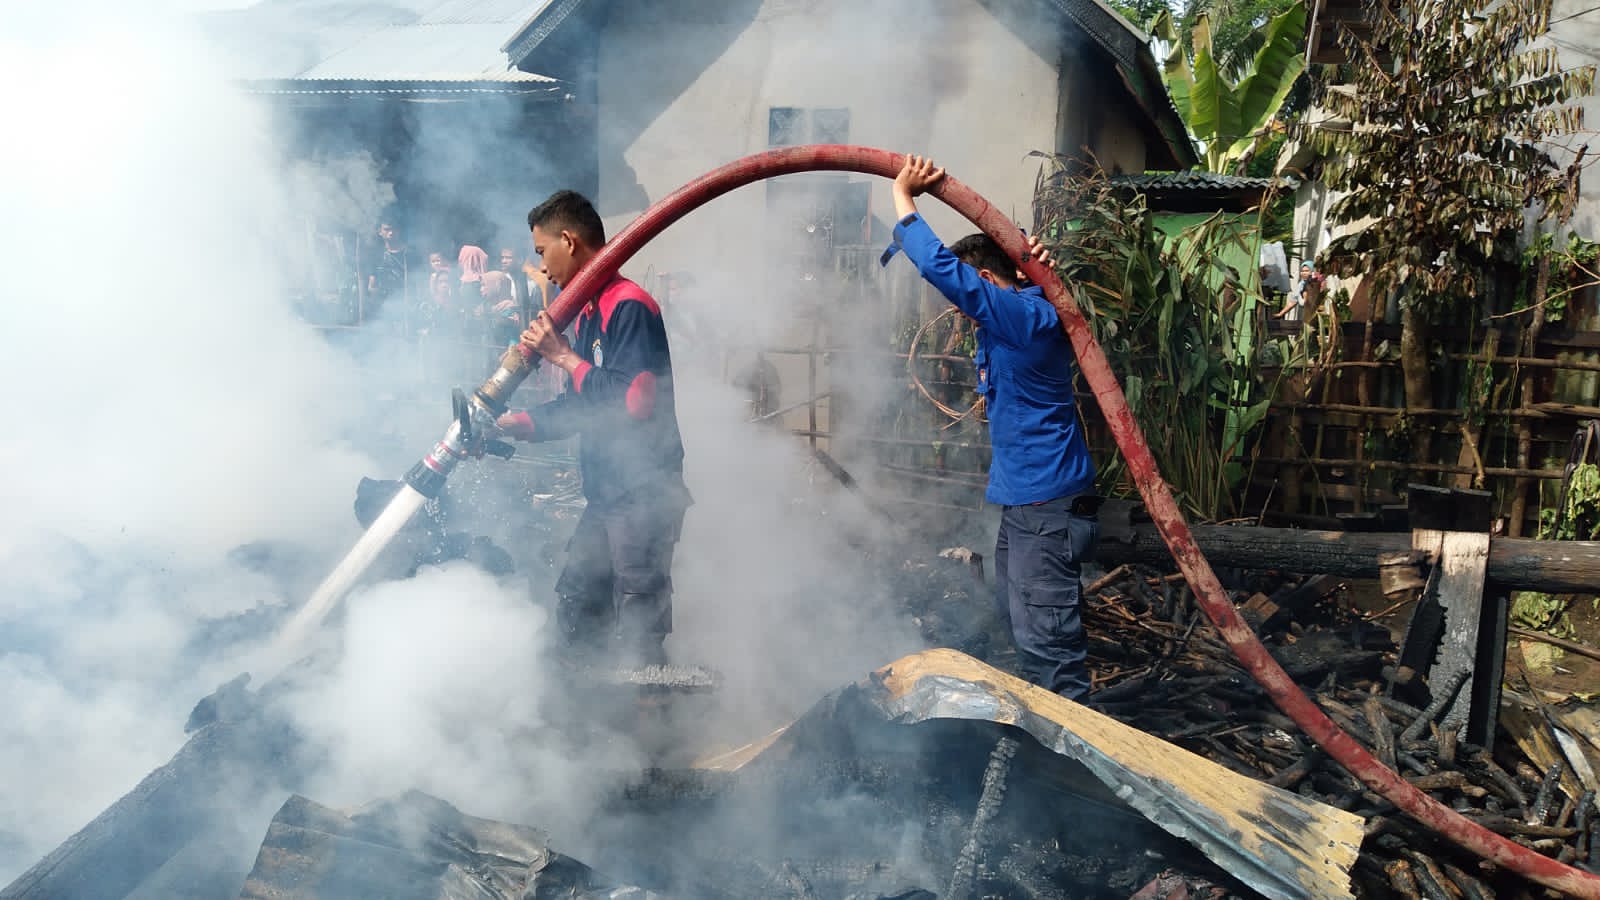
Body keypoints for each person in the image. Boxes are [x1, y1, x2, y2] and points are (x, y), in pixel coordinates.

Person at [885, 154, 1100, 701]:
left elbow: (947, 273)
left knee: (1048, 642)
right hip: (1028, 503)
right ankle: (1045, 728)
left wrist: (904, 200)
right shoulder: (1017, 314)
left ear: (985, 282)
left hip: (1045, 506)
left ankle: (1068, 761)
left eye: (967, 300)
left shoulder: (1024, 317)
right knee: (1018, 613)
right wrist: (1033, 262)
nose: (959, 315)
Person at [495, 190, 690, 667]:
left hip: (643, 494)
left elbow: (634, 401)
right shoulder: (588, 312)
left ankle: (654, 729)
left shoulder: (629, 305)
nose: (542, 268)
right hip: (608, 495)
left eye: (542, 252)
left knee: (640, 624)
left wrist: (562, 355)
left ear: (568, 239)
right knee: (579, 602)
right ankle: (588, 722)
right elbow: (583, 405)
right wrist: (514, 424)